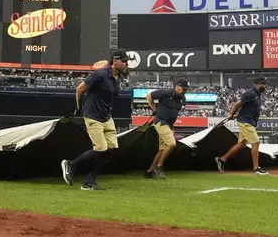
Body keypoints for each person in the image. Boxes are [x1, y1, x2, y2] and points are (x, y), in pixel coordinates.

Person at [61, 49, 129, 190]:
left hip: (106, 117)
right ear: (115, 61)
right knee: (100, 149)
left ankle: (89, 182)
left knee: (111, 149)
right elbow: (80, 89)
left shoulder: (118, 78)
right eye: (123, 61)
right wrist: (79, 108)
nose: (126, 64)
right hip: (93, 115)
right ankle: (70, 164)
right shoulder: (100, 75)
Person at [214, 77, 269, 176]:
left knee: (242, 144)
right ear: (258, 84)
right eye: (264, 84)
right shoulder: (250, 93)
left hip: (248, 120)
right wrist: (231, 114)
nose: (265, 86)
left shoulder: (256, 94)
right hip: (246, 121)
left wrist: (235, 115)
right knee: (256, 142)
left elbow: (246, 107)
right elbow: (237, 104)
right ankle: (256, 168)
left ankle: (222, 160)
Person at [143, 79, 189, 179]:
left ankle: (149, 171)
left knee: (162, 150)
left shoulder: (182, 98)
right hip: (160, 121)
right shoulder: (166, 92)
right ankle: (159, 166)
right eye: (183, 89)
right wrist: (154, 109)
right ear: (177, 86)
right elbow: (149, 96)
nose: (185, 91)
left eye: (186, 90)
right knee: (171, 143)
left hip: (169, 125)